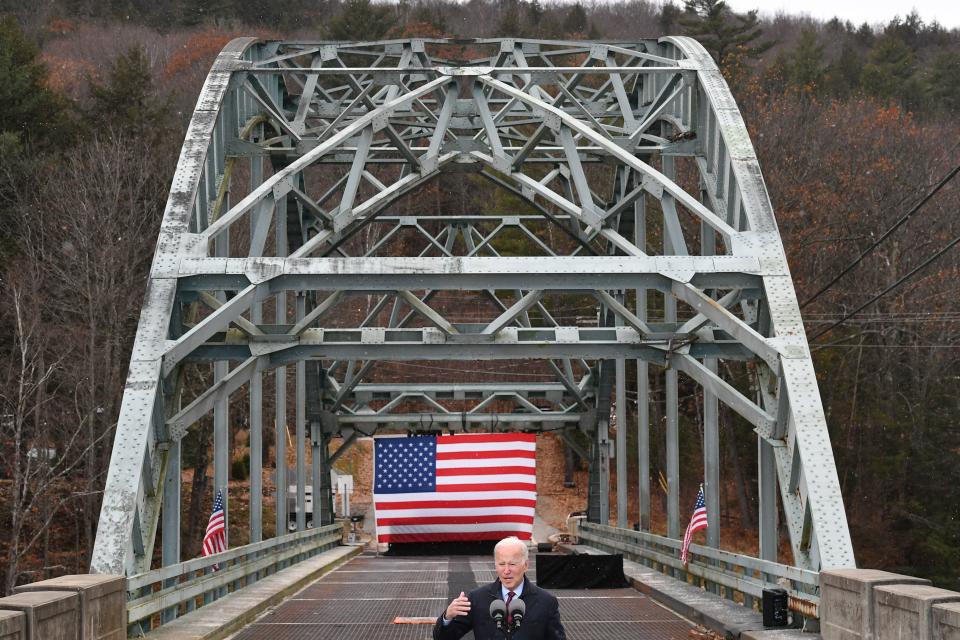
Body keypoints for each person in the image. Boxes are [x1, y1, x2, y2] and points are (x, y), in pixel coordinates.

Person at [434, 536, 566, 640]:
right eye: (501, 564)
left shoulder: (546, 602)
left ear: (526, 565)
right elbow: (443, 638)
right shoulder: (477, 598)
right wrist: (447, 617)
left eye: (512, 564)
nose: (506, 570)